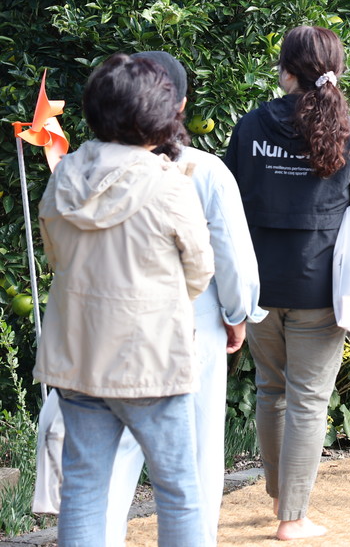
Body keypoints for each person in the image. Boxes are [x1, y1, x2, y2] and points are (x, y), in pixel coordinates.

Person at [37, 53, 214, 546]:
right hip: (152, 358)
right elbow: (199, 271)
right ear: (158, 114)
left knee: (85, 487)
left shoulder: (63, 176)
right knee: (178, 489)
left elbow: (57, 259)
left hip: (79, 355)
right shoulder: (168, 185)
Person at [225, 24, 350, 538]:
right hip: (322, 290)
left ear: (286, 71)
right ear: (335, 69)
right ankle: (292, 516)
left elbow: (228, 212)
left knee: (272, 391)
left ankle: (281, 495)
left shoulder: (250, 128)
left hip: (259, 286)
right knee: (308, 400)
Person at [106, 51, 265, 547]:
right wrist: (237, 315)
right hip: (193, 325)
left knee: (115, 453)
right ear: (181, 105)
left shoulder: (90, 166)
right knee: (194, 455)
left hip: (113, 323)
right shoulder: (206, 170)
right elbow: (232, 256)